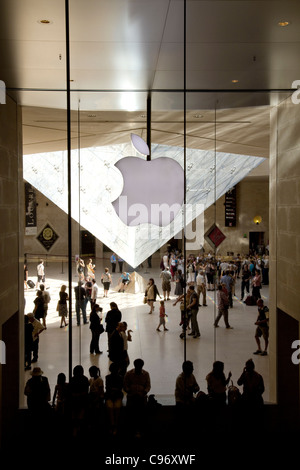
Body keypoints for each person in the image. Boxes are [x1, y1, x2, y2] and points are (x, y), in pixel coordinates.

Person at [123, 358, 151, 437]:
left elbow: (148, 386)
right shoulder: (130, 374)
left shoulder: (130, 373)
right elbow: (125, 386)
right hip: (134, 396)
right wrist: (134, 393)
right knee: (138, 412)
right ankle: (138, 429)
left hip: (139, 396)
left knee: (137, 412)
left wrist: (142, 393)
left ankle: (136, 429)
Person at [105, 362, 124, 436]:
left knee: (111, 407)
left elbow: (108, 387)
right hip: (117, 395)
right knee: (116, 407)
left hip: (110, 395)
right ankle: (115, 425)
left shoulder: (108, 377)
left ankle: (112, 425)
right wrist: (115, 390)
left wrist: (112, 390)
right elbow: (119, 388)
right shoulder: (120, 377)